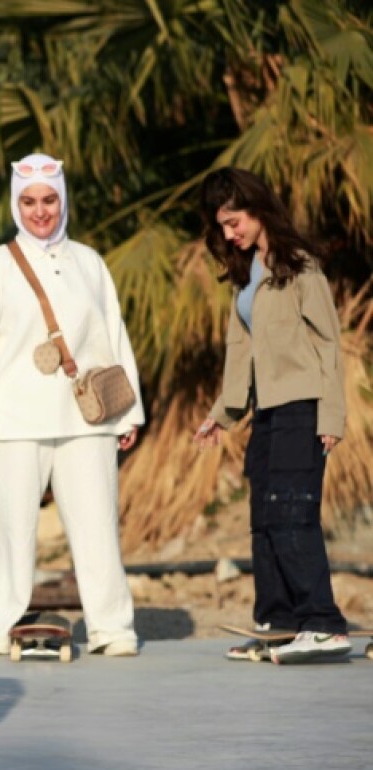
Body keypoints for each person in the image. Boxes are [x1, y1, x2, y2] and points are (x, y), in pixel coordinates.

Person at [0, 153, 144, 658]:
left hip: (87, 420)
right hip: (10, 423)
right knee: (8, 533)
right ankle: (0, 628)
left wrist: (128, 413)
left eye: (48, 199)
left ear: (62, 199)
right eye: (29, 201)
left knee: (98, 527)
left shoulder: (90, 262)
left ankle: (112, 628)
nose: (40, 211)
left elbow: (114, 337)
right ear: (16, 204)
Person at [193, 167, 350, 664]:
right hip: (266, 413)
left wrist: (332, 415)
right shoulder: (244, 276)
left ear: (257, 210)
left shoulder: (298, 265)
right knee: (264, 519)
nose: (228, 233)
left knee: (292, 513)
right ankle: (280, 622)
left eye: (234, 221)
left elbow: (329, 344)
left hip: (303, 407)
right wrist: (222, 414)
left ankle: (322, 623)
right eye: (221, 226)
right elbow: (239, 355)